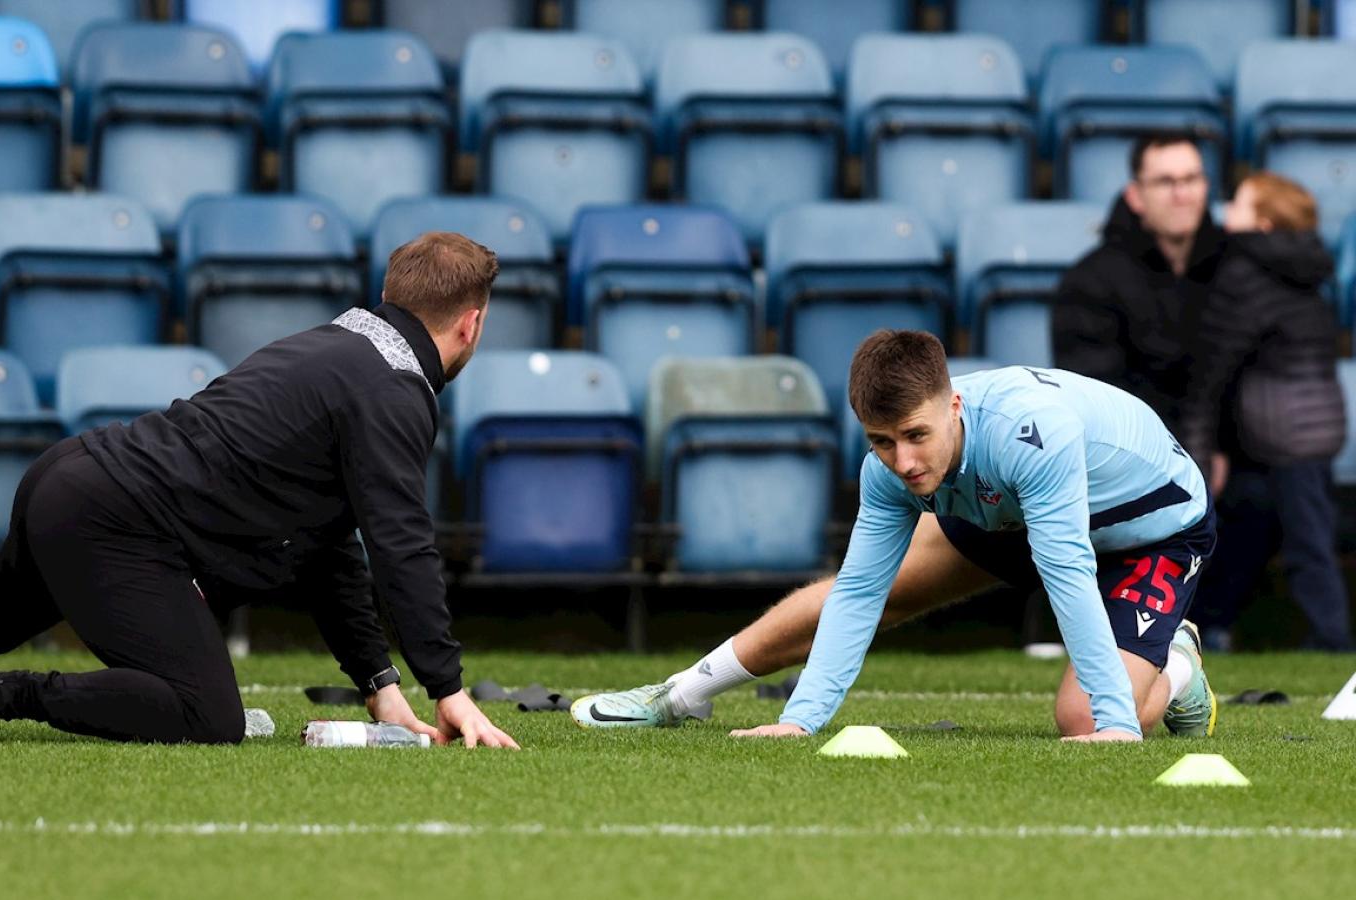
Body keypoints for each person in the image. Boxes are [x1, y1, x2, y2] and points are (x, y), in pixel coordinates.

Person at [0, 232, 520, 749]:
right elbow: (401, 544)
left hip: (72, 478)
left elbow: (328, 538)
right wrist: (448, 689)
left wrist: (378, 685)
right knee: (205, 714)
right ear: (473, 323)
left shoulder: (340, 343)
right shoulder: (395, 390)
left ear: (392, 293)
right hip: (115, 522)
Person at [572, 330, 1217, 741]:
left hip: (1144, 534)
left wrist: (1113, 728)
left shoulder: (1031, 435)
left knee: (1085, 719)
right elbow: (859, 593)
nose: (903, 461)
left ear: (953, 406)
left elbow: (1067, 573)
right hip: (1010, 510)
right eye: (882, 441)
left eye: (915, 435)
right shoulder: (895, 466)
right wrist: (799, 722)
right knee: (876, 588)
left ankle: (1178, 663)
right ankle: (682, 694)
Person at [1180, 173, 1354, 652]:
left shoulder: (1242, 271)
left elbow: (1212, 366)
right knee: (1262, 526)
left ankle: (1330, 637)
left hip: (1281, 433)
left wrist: (1199, 447)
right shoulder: (1310, 269)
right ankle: (1213, 625)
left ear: (1262, 221)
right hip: (1314, 426)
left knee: (1305, 542)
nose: (1225, 212)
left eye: (1237, 204)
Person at [1052, 133, 1225, 433]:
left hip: (1227, 452)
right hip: (1139, 455)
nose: (1182, 194)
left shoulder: (1231, 263)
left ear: (1206, 186)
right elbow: (1098, 399)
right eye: (1165, 182)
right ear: (1135, 195)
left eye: (1192, 179)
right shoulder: (1090, 281)